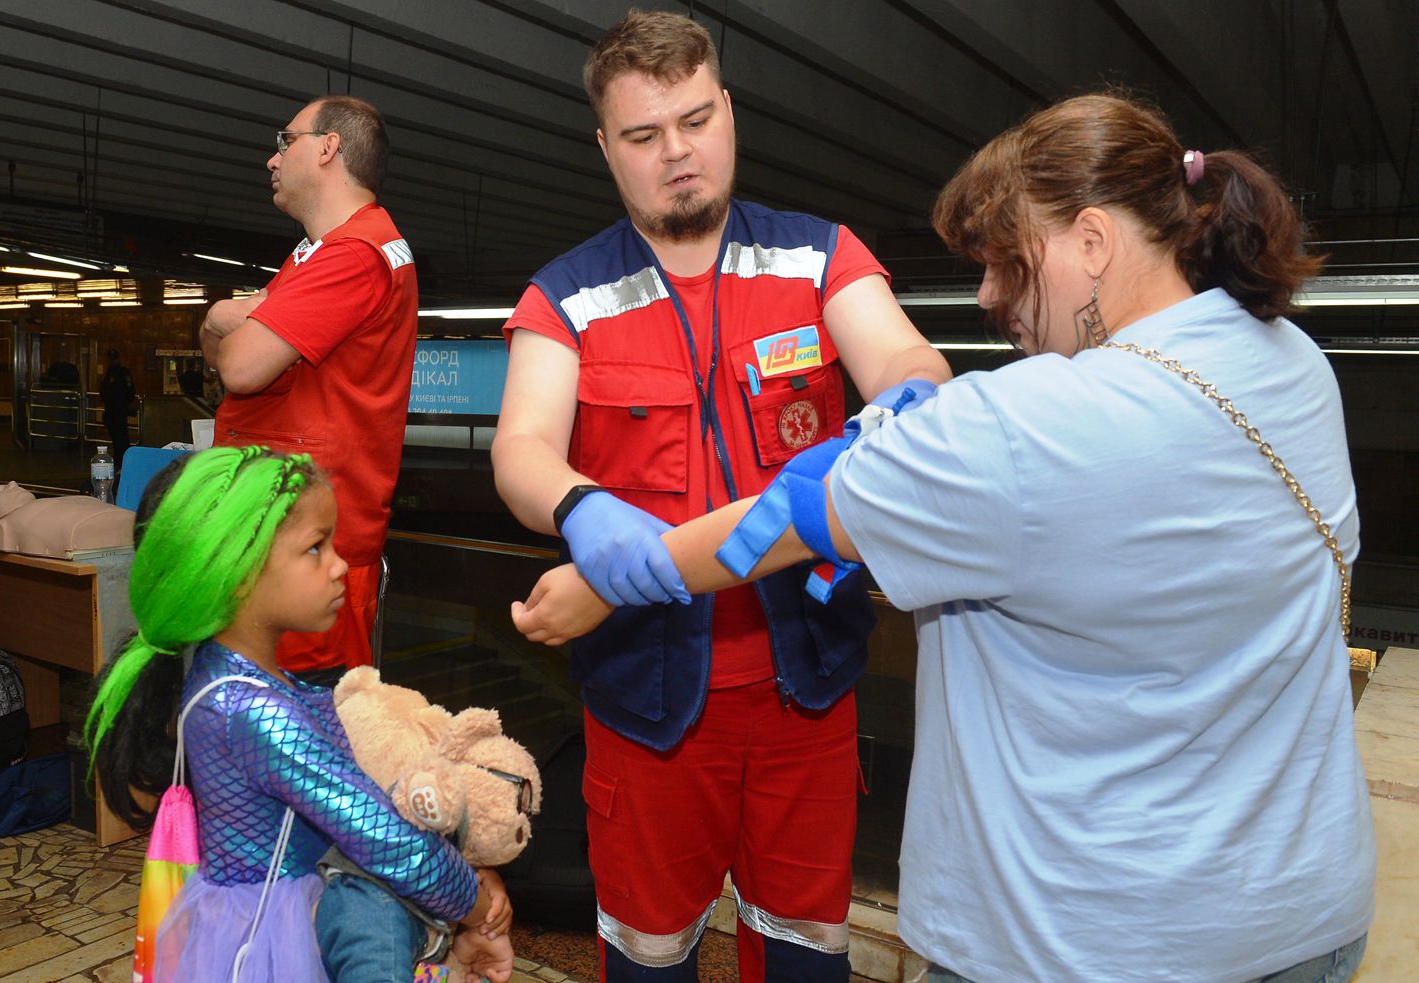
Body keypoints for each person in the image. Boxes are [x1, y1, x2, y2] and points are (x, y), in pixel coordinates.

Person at [513, 91, 1377, 983]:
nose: (989, 296)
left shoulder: (1018, 424)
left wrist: (614, 576)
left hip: (1098, 943)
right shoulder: (1294, 364)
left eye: (1007, 262)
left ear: (1092, 241)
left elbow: (779, 526)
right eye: (644, 133)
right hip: (1305, 914)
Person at [490, 11, 950, 981]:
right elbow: (521, 446)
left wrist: (911, 390)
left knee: (805, 951)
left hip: (803, 696)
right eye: (644, 136)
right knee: (649, 954)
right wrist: (579, 504)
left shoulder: (816, 256)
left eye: (695, 121)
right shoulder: (564, 295)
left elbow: (902, 351)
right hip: (647, 710)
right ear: (604, 148)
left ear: (728, 111)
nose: (677, 154)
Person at [86, 447, 512, 982]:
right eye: (315, 548)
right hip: (274, 940)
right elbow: (380, 834)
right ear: (237, 573)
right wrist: (476, 905)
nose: (339, 565)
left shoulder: (246, 684)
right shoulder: (251, 710)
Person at [200, 94, 417, 682]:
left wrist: (225, 311)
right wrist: (228, 324)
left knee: (293, 743)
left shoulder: (355, 254)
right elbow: (219, 353)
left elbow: (241, 367)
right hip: (281, 538)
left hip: (307, 549)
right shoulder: (315, 253)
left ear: (329, 148)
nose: (272, 160)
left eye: (284, 141)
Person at [99, 348, 137, 472]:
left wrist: (123, 402)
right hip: (111, 409)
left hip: (119, 409)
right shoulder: (109, 372)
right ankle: (119, 461)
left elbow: (130, 390)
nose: (111, 361)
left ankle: (124, 461)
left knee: (121, 438)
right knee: (116, 438)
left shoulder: (122, 372)